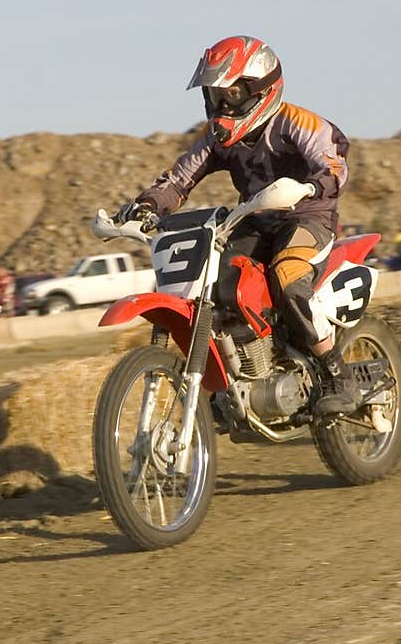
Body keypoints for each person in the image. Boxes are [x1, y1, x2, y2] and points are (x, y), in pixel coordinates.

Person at [116, 34, 358, 414]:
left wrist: (310, 185)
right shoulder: (216, 139)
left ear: (260, 89)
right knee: (214, 283)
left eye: (229, 95)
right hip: (254, 218)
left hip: (307, 215)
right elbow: (180, 178)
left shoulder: (299, 122)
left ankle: (336, 373)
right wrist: (147, 205)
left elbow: (335, 165)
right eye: (213, 96)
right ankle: (243, 371)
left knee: (288, 276)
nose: (220, 106)